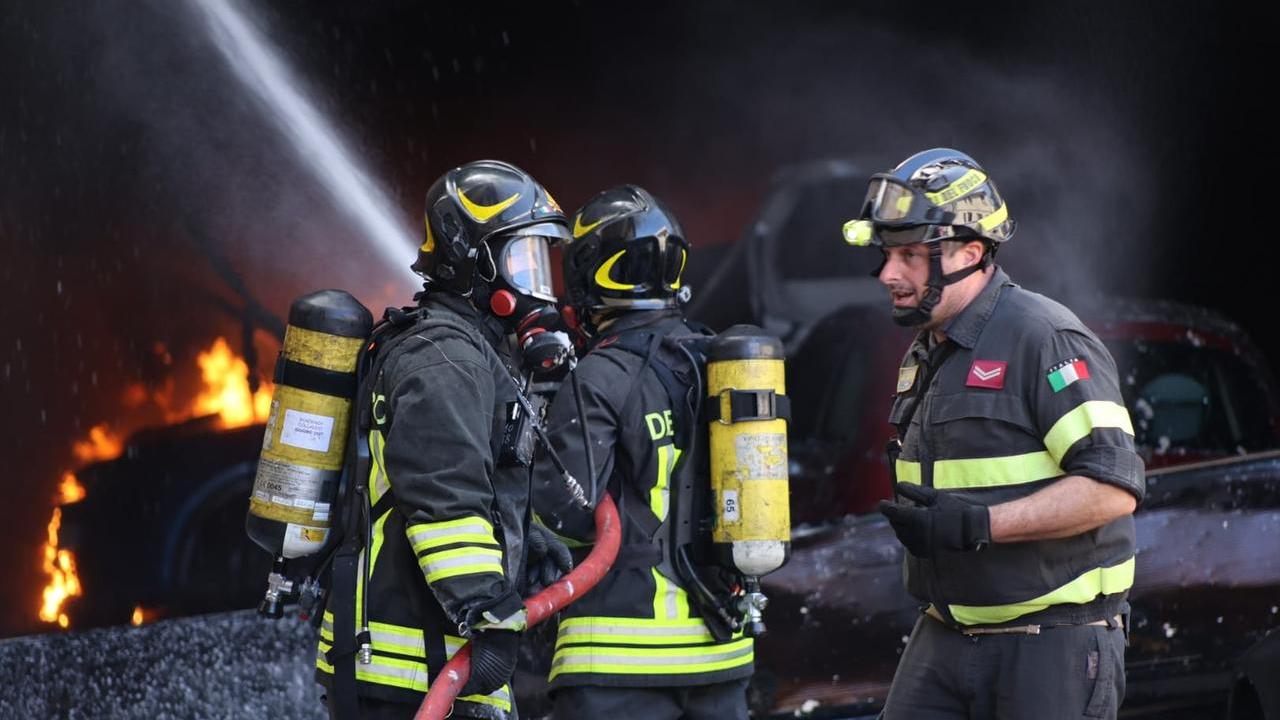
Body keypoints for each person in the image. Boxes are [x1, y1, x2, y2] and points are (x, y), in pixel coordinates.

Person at [842, 148, 1144, 719]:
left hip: (1049, 642)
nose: (888, 274)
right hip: (946, 630)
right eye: (887, 254)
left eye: (909, 255)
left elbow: (1113, 488)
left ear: (971, 252)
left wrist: (981, 525)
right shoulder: (932, 347)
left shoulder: (1045, 339)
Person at [317, 159, 573, 720]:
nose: (539, 288)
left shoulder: (473, 354)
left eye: (541, 264)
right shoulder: (445, 360)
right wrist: (488, 607)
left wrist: (526, 537)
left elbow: (473, 481)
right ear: (475, 264)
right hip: (409, 667)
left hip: (430, 661)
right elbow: (444, 498)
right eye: (522, 262)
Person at [531, 185, 755, 720]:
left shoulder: (600, 377)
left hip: (619, 661)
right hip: (723, 652)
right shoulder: (722, 364)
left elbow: (562, 513)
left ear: (590, 273)